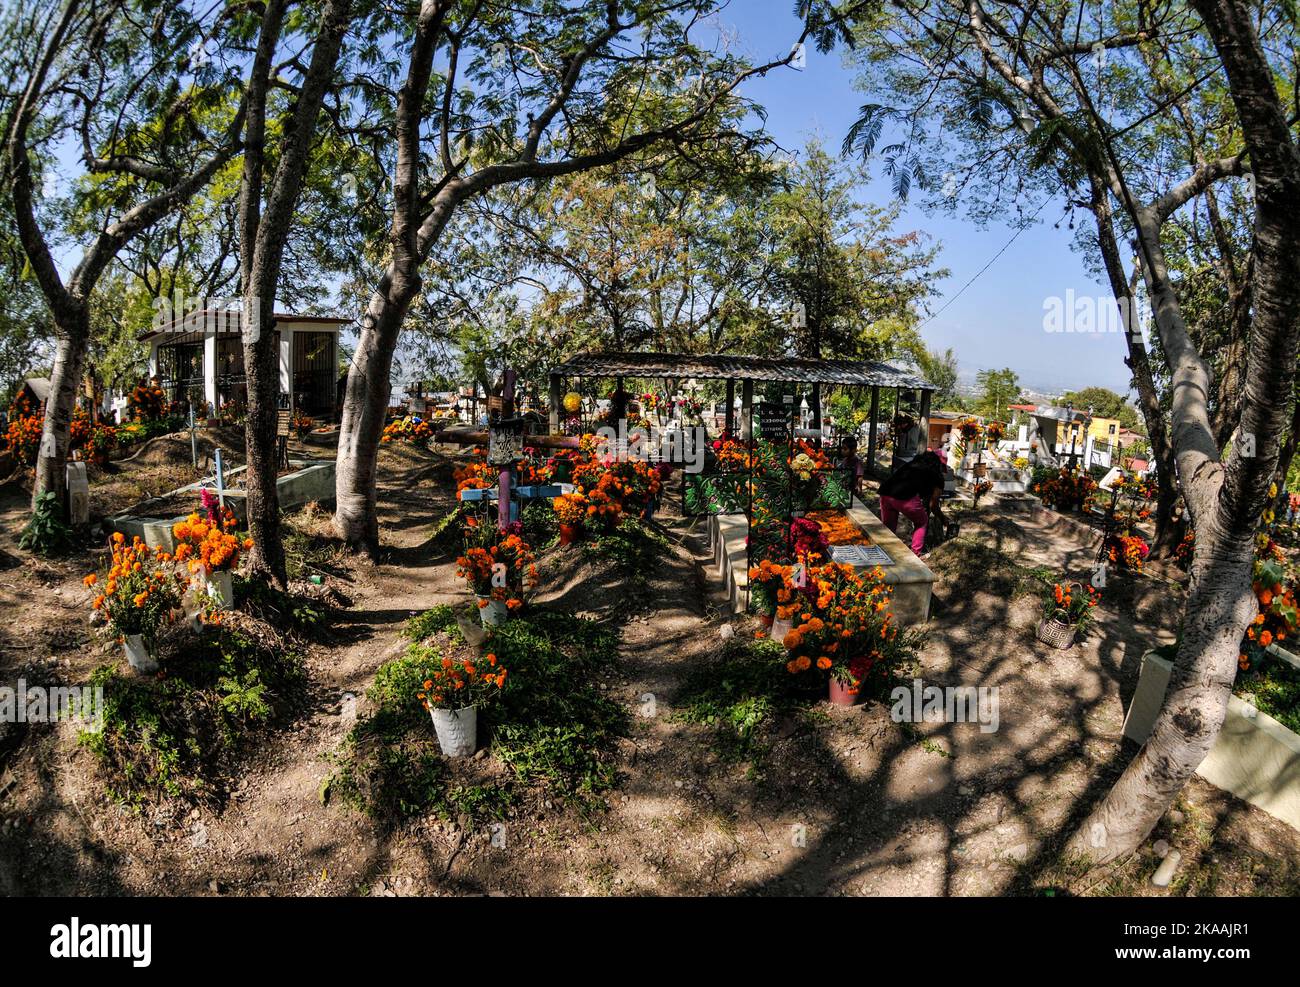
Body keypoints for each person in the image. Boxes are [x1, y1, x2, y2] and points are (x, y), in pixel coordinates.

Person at [878, 450, 947, 557]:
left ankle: (882, 552)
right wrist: (943, 519)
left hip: (886, 493)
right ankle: (916, 554)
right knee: (922, 522)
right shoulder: (937, 477)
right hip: (905, 496)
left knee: (888, 528)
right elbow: (933, 505)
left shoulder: (912, 464)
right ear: (939, 465)